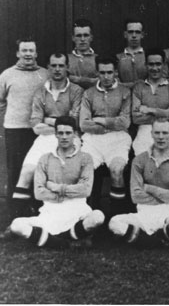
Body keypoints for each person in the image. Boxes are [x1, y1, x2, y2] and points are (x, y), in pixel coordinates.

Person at [9, 116, 105, 248]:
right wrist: (71, 190)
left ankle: (55, 238)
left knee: (98, 217)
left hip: (77, 212)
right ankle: (64, 243)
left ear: (75, 135)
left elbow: (86, 190)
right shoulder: (44, 159)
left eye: (68, 133)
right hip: (50, 214)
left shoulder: (85, 159)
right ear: (55, 135)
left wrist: (53, 187)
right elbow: (39, 193)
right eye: (60, 133)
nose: (64, 137)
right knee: (17, 225)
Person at [10, 53, 83, 222]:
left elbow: (74, 122)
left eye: (61, 65)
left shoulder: (77, 91)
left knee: (66, 176)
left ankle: (70, 221)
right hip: (45, 138)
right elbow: (36, 126)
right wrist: (58, 122)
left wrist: (48, 120)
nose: (57, 69)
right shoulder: (41, 92)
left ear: (67, 68)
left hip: (70, 138)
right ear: (48, 68)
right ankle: (17, 220)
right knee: (27, 171)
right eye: (54, 66)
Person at [108, 118, 169, 247]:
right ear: (151, 134)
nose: (161, 137)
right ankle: (160, 239)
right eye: (157, 133)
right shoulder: (139, 160)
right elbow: (136, 196)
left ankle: (141, 239)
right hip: (146, 213)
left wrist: (148, 188)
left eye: (165, 133)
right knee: (114, 223)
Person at [0, 38, 48, 225]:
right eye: (24, 50)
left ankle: (38, 214)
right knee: (16, 171)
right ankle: (15, 217)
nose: (28, 54)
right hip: (15, 130)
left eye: (31, 51)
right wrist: (9, 118)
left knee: (38, 170)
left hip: (39, 131)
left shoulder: (45, 74)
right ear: (18, 53)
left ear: (36, 54)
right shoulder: (7, 75)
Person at [80, 56, 132, 217]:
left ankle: (116, 216)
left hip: (118, 138)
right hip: (93, 139)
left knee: (117, 170)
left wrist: (100, 120)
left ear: (116, 72)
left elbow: (124, 123)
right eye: (102, 72)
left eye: (110, 72)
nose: (106, 76)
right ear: (97, 73)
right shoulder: (88, 93)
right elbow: (84, 124)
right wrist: (107, 126)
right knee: (86, 170)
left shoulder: (125, 92)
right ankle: (90, 216)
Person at [131, 48, 169, 155]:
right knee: (145, 160)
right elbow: (136, 118)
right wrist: (167, 112)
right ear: (146, 65)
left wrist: (149, 110)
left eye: (158, 64)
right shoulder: (138, 88)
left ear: (164, 65)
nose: (155, 68)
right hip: (145, 131)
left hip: (167, 128)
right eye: (151, 64)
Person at [68, 18, 99, 89]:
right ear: (73, 38)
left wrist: (75, 79)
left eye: (86, 35)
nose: (82, 39)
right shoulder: (66, 59)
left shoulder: (98, 59)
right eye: (79, 35)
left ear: (91, 37)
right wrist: (91, 80)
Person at [116, 18, 147, 88]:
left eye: (137, 32)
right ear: (125, 34)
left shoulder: (148, 57)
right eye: (130, 32)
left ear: (142, 35)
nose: (134, 35)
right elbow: (115, 82)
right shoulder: (118, 57)